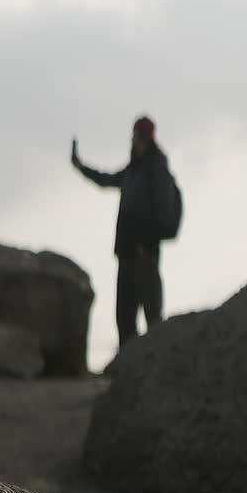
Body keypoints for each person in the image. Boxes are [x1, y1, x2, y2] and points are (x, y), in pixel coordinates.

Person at [71, 116, 174, 350]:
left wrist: (145, 243)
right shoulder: (133, 170)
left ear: (142, 137)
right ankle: (128, 370)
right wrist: (81, 167)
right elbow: (106, 180)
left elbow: (162, 212)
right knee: (125, 317)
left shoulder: (156, 168)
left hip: (144, 254)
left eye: (135, 135)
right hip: (127, 254)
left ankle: (155, 364)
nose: (132, 140)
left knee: (152, 315)